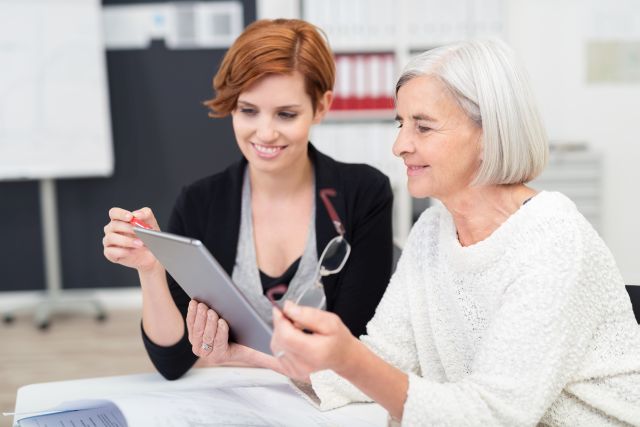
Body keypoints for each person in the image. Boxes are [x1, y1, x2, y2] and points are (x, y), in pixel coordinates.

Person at [270, 39, 640, 426]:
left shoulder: (553, 238)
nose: (399, 145)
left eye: (423, 127)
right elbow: (387, 355)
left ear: (488, 133)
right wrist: (266, 359)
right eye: (401, 124)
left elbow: (494, 415)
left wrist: (350, 359)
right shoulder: (432, 230)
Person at [102, 19, 393, 381]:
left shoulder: (364, 193)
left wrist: (241, 356)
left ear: (321, 107)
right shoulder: (199, 203)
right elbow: (172, 361)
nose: (265, 133)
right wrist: (151, 270)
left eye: (286, 114)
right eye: (248, 110)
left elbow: (354, 350)